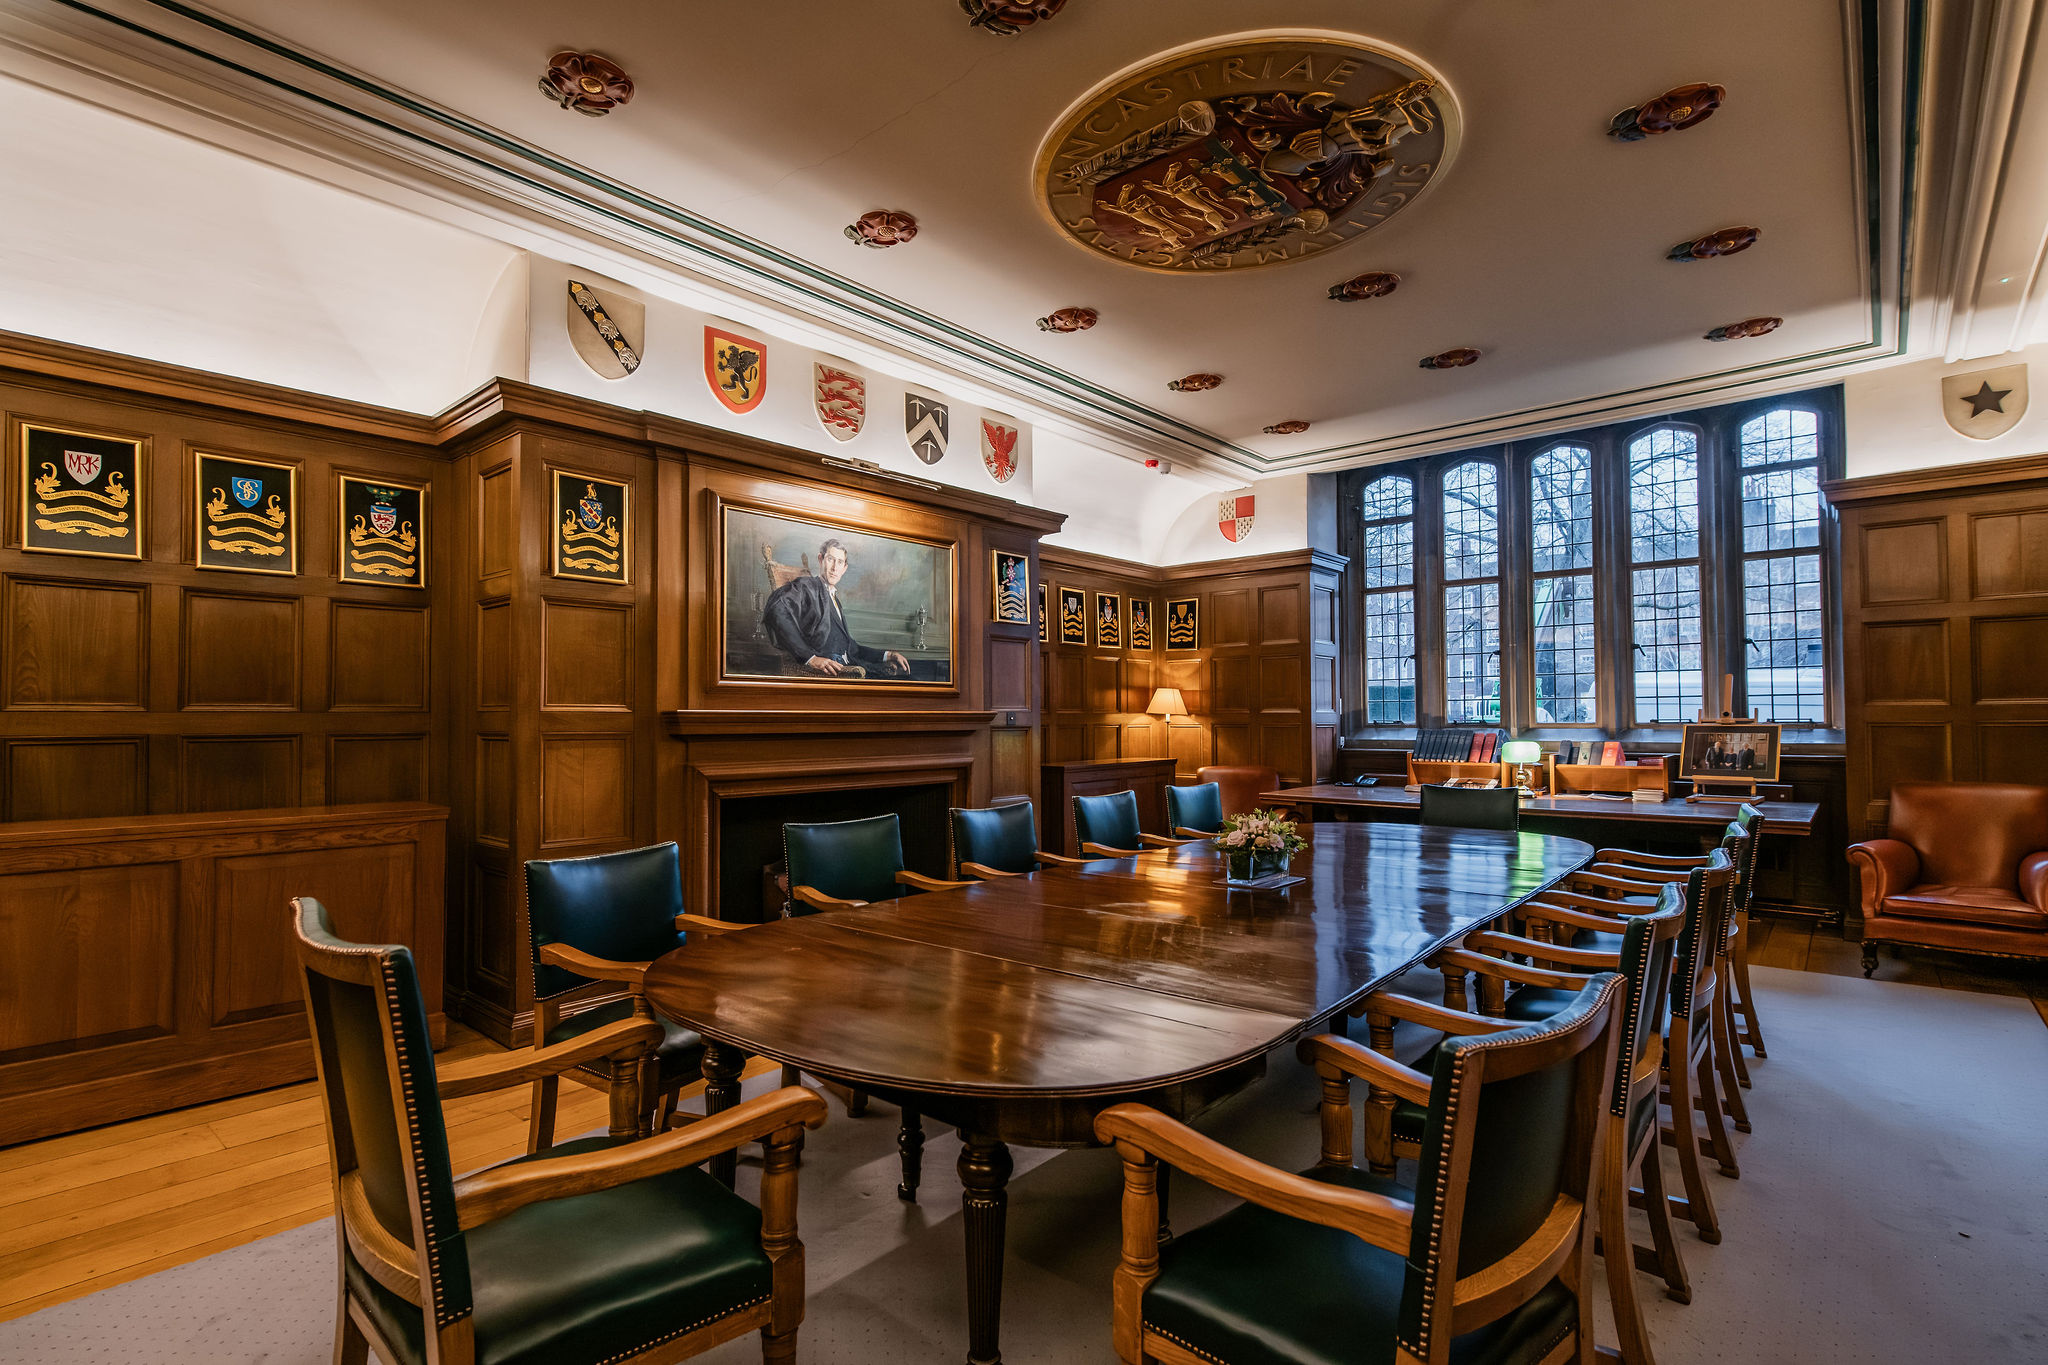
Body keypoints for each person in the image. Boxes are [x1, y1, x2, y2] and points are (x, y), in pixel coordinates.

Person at [760, 537, 910, 678]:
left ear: (844, 568)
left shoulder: (835, 599)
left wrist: (888, 655)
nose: (834, 568)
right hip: (832, 675)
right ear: (820, 559)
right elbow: (776, 609)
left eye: (839, 562)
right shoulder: (807, 586)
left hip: (851, 667)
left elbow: (851, 648)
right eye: (830, 559)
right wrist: (810, 658)